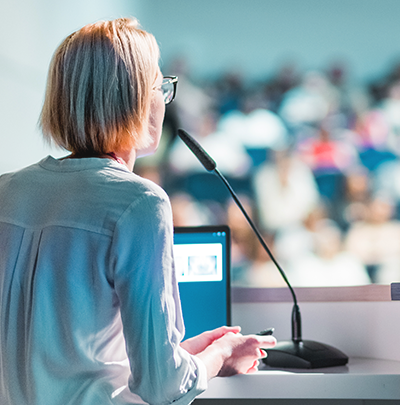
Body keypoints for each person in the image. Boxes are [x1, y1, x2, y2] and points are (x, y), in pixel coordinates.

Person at [0, 18, 276, 405]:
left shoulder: (7, 190)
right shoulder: (140, 203)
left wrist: (185, 353)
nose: (165, 99)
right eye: (161, 87)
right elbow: (162, 387)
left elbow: (66, 360)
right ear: (131, 99)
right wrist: (221, 355)